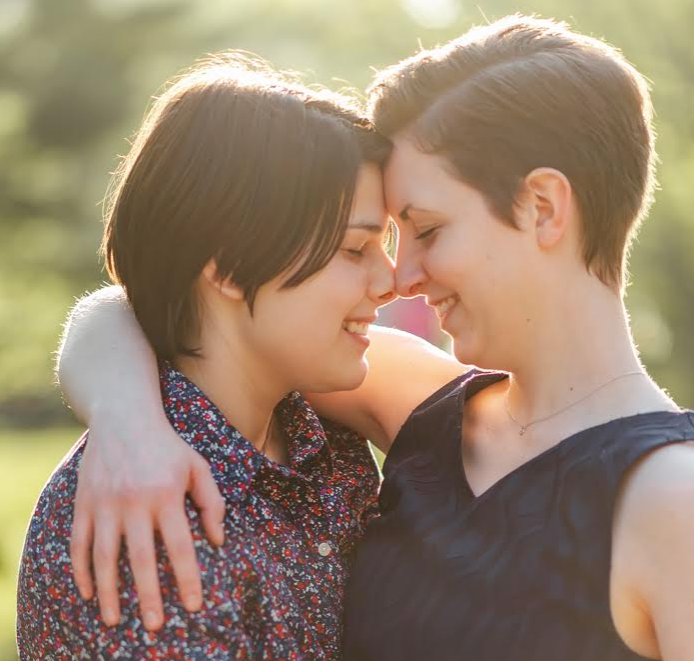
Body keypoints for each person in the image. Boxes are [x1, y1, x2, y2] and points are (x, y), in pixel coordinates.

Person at [53, 15, 694, 661]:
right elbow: (149, 307)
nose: (402, 278)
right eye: (379, 240)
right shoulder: (422, 403)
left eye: (429, 229)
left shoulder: (673, 499)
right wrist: (128, 423)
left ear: (544, 207)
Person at [16, 52, 408, 660]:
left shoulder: (324, 439)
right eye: (356, 249)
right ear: (226, 266)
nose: (392, 281)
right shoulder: (145, 523)